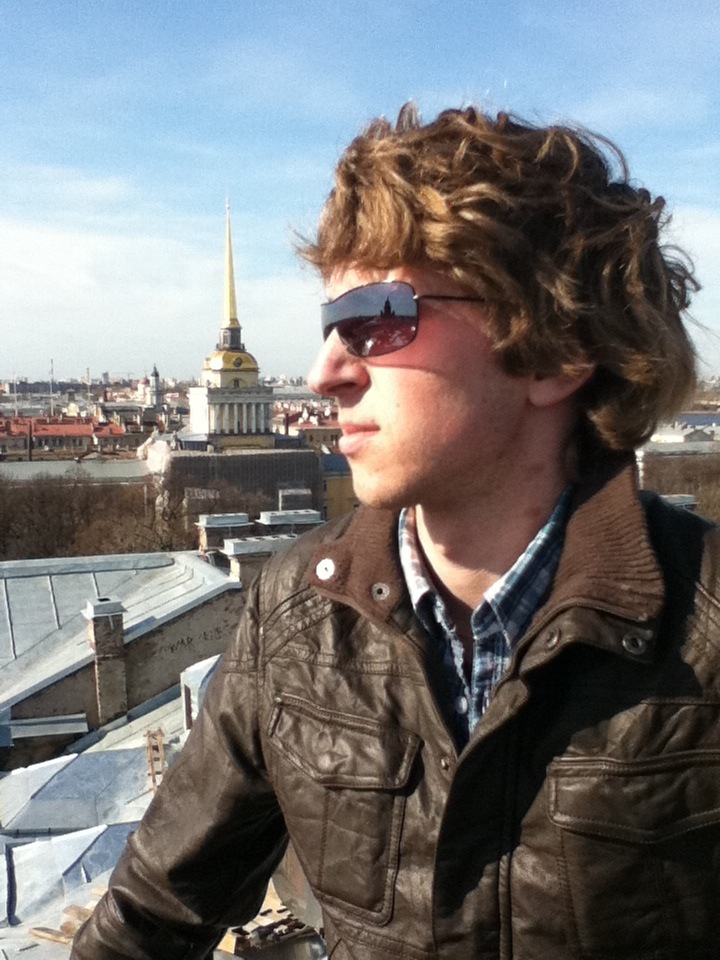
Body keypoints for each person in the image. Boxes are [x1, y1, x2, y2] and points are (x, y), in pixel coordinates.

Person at [72, 105, 718, 960]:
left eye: (378, 318)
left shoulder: (708, 630)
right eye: (330, 326)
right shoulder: (295, 610)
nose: (325, 372)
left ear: (555, 350)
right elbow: (149, 918)